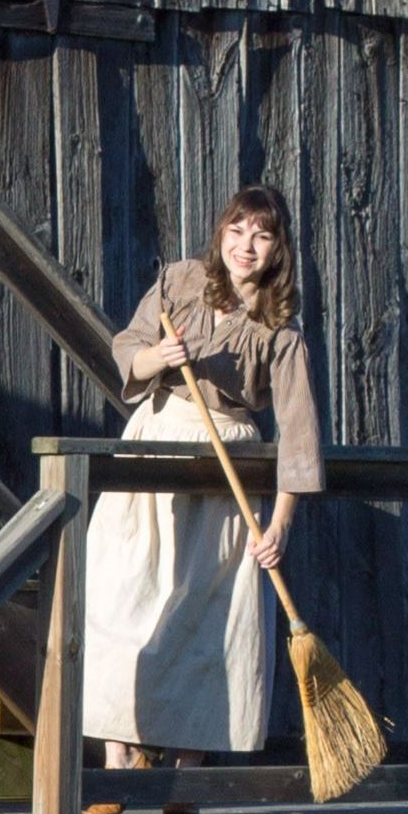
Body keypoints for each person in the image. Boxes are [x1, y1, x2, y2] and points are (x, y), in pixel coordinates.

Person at [83, 181, 329, 768]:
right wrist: (159, 359)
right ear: (221, 232)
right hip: (154, 442)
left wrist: (280, 525)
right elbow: (129, 347)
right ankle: (120, 756)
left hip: (224, 464)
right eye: (236, 230)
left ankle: (187, 774)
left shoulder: (282, 330)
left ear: (278, 249)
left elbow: (299, 437)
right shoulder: (180, 281)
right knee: (118, 597)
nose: (245, 246)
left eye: (261, 236)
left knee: (205, 615)